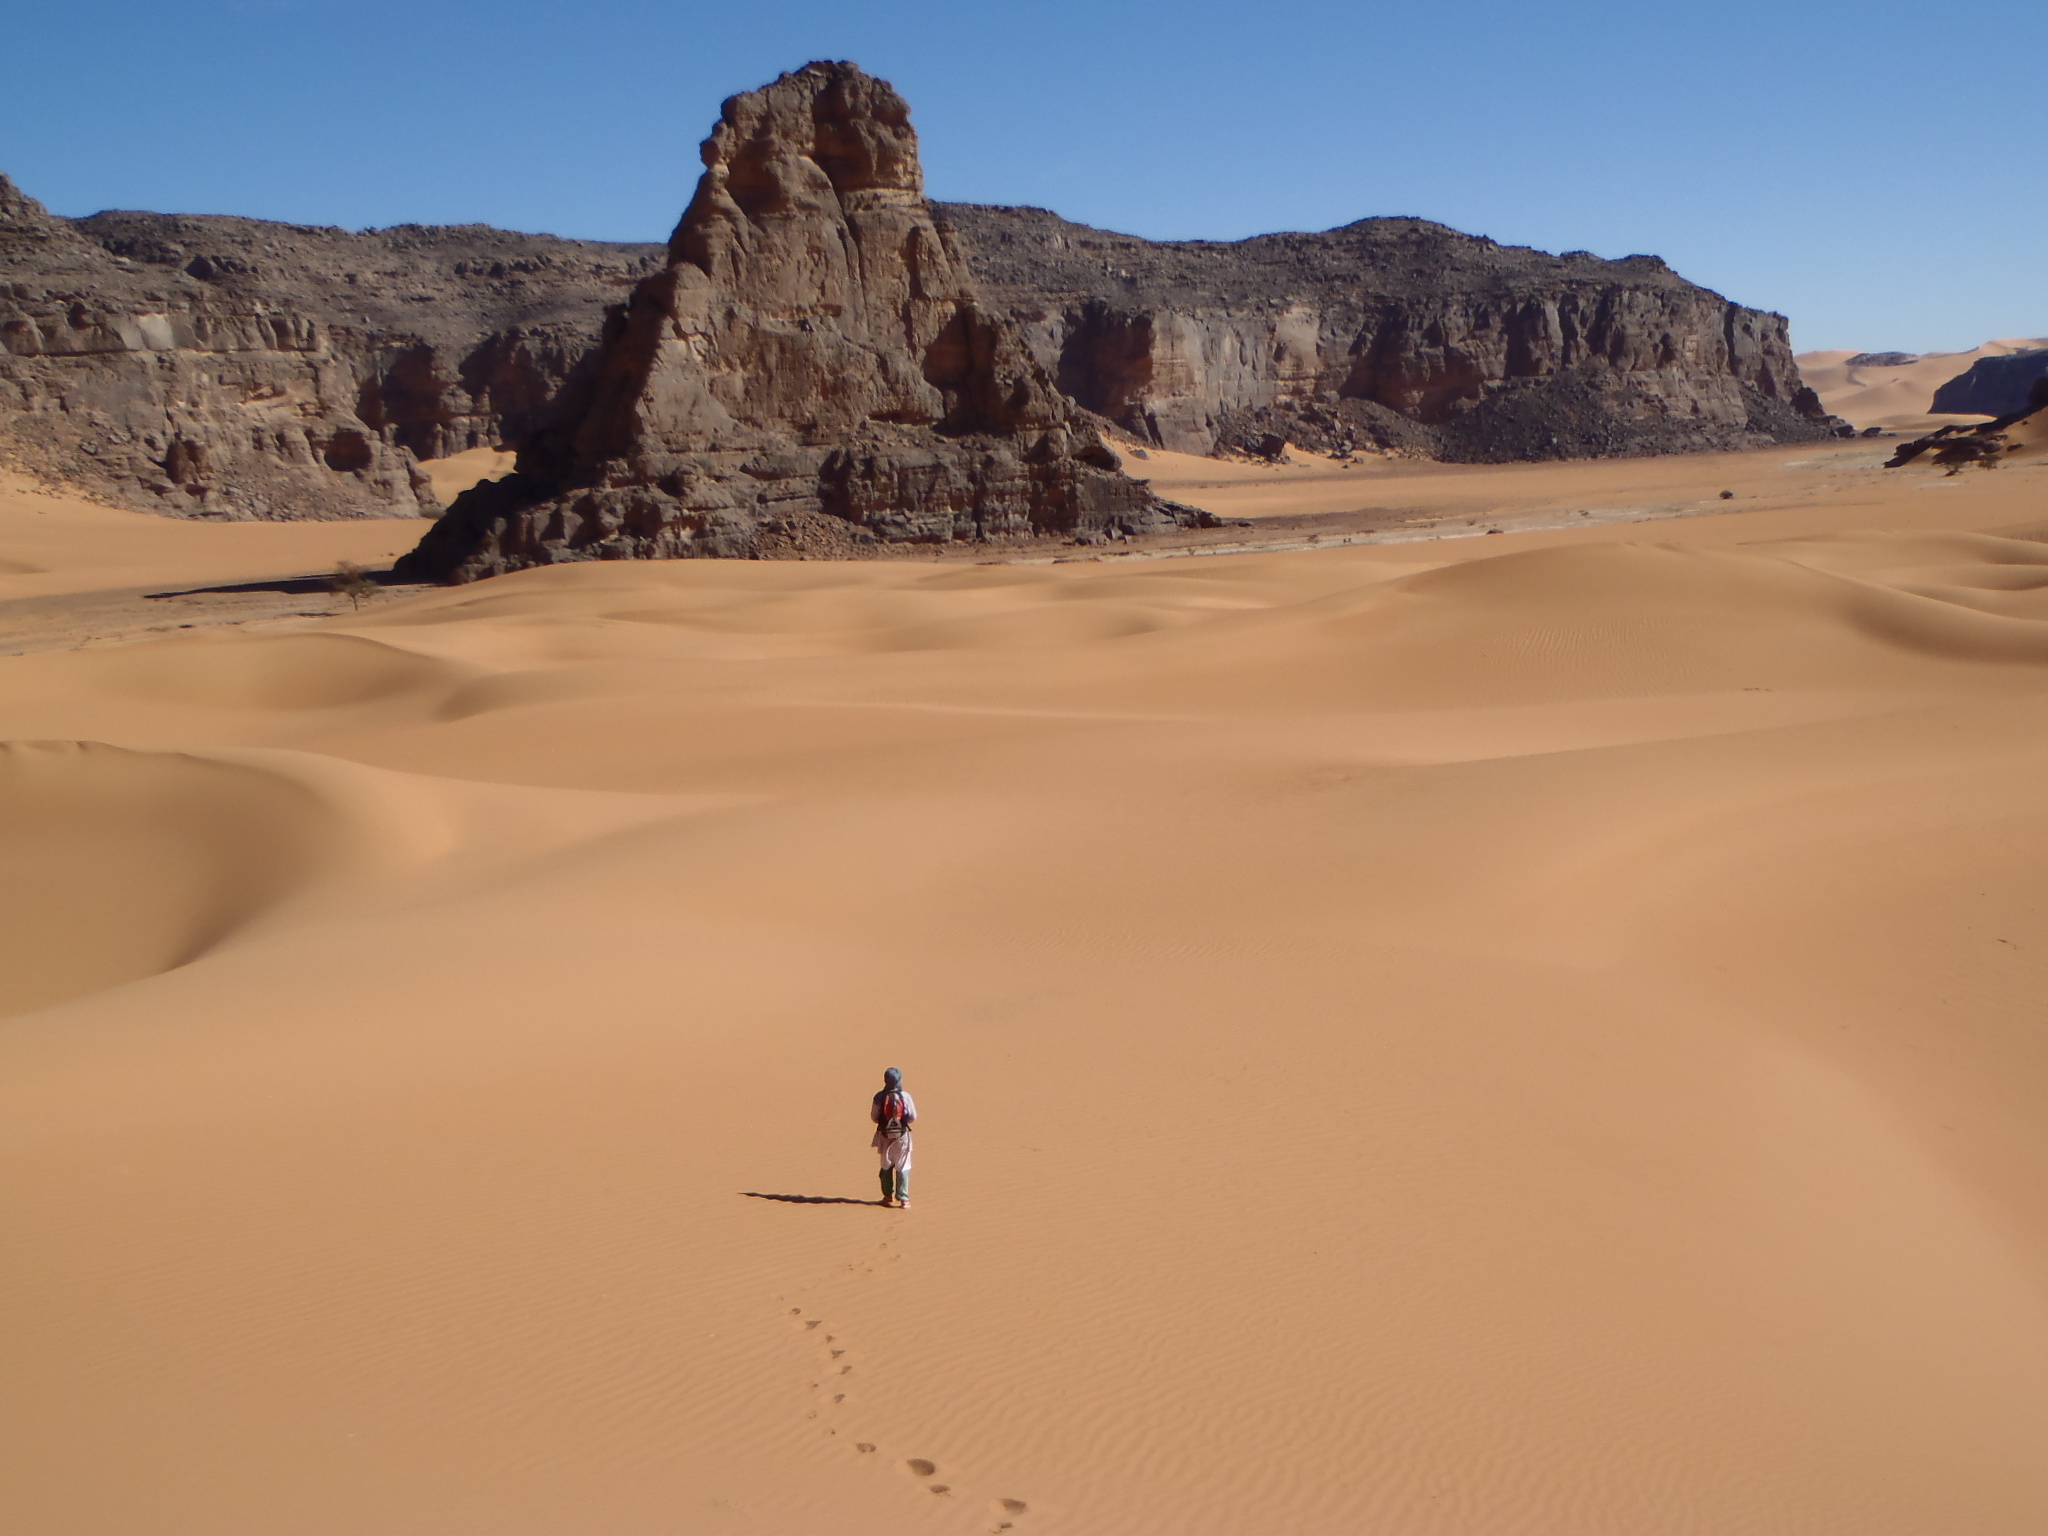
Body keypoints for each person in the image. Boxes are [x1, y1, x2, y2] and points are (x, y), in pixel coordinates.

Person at [871, 1067, 917, 1208]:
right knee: (903, 1165)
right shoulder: (905, 1096)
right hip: (902, 1136)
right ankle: (904, 1199)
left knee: (885, 1165)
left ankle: (887, 1196)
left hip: (884, 1136)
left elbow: (874, 1117)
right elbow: (912, 1117)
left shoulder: (879, 1096)